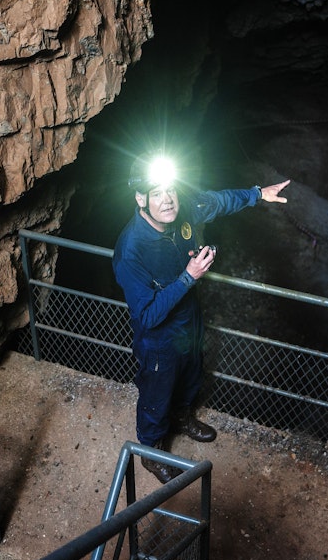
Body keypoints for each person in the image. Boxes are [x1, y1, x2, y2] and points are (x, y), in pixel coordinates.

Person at [112, 150, 290, 483]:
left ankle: (182, 418)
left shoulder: (186, 210)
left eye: (171, 190)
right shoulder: (131, 250)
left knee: (192, 375)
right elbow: (147, 315)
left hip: (189, 321)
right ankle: (151, 450)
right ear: (140, 198)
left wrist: (257, 195)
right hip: (158, 339)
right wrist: (189, 276)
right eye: (156, 194)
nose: (168, 200)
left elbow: (217, 202)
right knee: (156, 394)